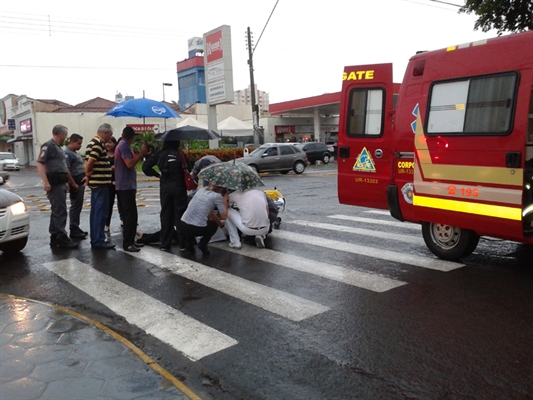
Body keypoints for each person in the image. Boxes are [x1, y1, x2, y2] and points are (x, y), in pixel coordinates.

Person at [142, 140, 191, 252]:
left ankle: (165, 243)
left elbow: (145, 167)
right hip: (179, 187)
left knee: (166, 214)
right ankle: (183, 243)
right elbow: (189, 167)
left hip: (165, 187)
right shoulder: (180, 154)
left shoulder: (160, 154)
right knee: (180, 214)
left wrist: (157, 174)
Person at [36, 124, 78, 249]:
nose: (66, 137)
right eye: (65, 135)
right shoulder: (49, 146)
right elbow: (40, 163)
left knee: (57, 211)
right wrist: (45, 181)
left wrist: (66, 181)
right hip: (54, 183)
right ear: (61, 134)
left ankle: (55, 236)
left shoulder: (58, 147)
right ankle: (61, 237)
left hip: (60, 182)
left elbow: (61, 167)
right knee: (60, 211)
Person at [114, 127, 147, 252]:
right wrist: (141, 155)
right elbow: (129, 164)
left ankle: (130, 240)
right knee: (130, 216)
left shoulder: (122, 146)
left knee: (132, 215)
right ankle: (127, 243)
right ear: (132, 137)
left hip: (126, 186)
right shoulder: (123, 147)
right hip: (125, 186)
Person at [85, 123, 115, 250]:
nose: (110, 138)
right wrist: (88, 173)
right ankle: (98, 240)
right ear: (105, 133)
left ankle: (96, 238)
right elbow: (91, 161)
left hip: (97, 183)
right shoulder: (98, 144)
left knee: (96, 212)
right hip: (100, 184)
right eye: (110, 135)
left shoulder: (92, 142)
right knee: (100, 213)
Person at [179, 184, 229, 254]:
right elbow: (224, 216)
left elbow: (211, 214)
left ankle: (189, 245)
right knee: (213, 225)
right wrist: (225, 200)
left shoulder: (202, 190)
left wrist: (221, 226)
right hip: (196, 229)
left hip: (182, 224)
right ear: (221, 189)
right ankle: (203, 244)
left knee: (194, 220)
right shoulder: (217, 196)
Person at [65, 133, 88, 240]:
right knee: (75, 206)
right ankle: (73, 229)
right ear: (72, 142)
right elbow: (67, 169)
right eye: (78, 143)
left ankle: (76, 227)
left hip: (80, 181)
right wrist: (73, 183)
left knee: (78, 206)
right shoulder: (68, 154)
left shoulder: (75, 153)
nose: (80, 146)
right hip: (75, 183)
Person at [104, 136, 119, 239]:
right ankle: (106, 224)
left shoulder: (118, 154)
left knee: (122, 203)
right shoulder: (103, 155)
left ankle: (124, 220)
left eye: (110, 142)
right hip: (108, 182)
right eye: (106, 142)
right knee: (108, 204)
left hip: (119, 181)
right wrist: (110, 169)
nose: (108, 144)